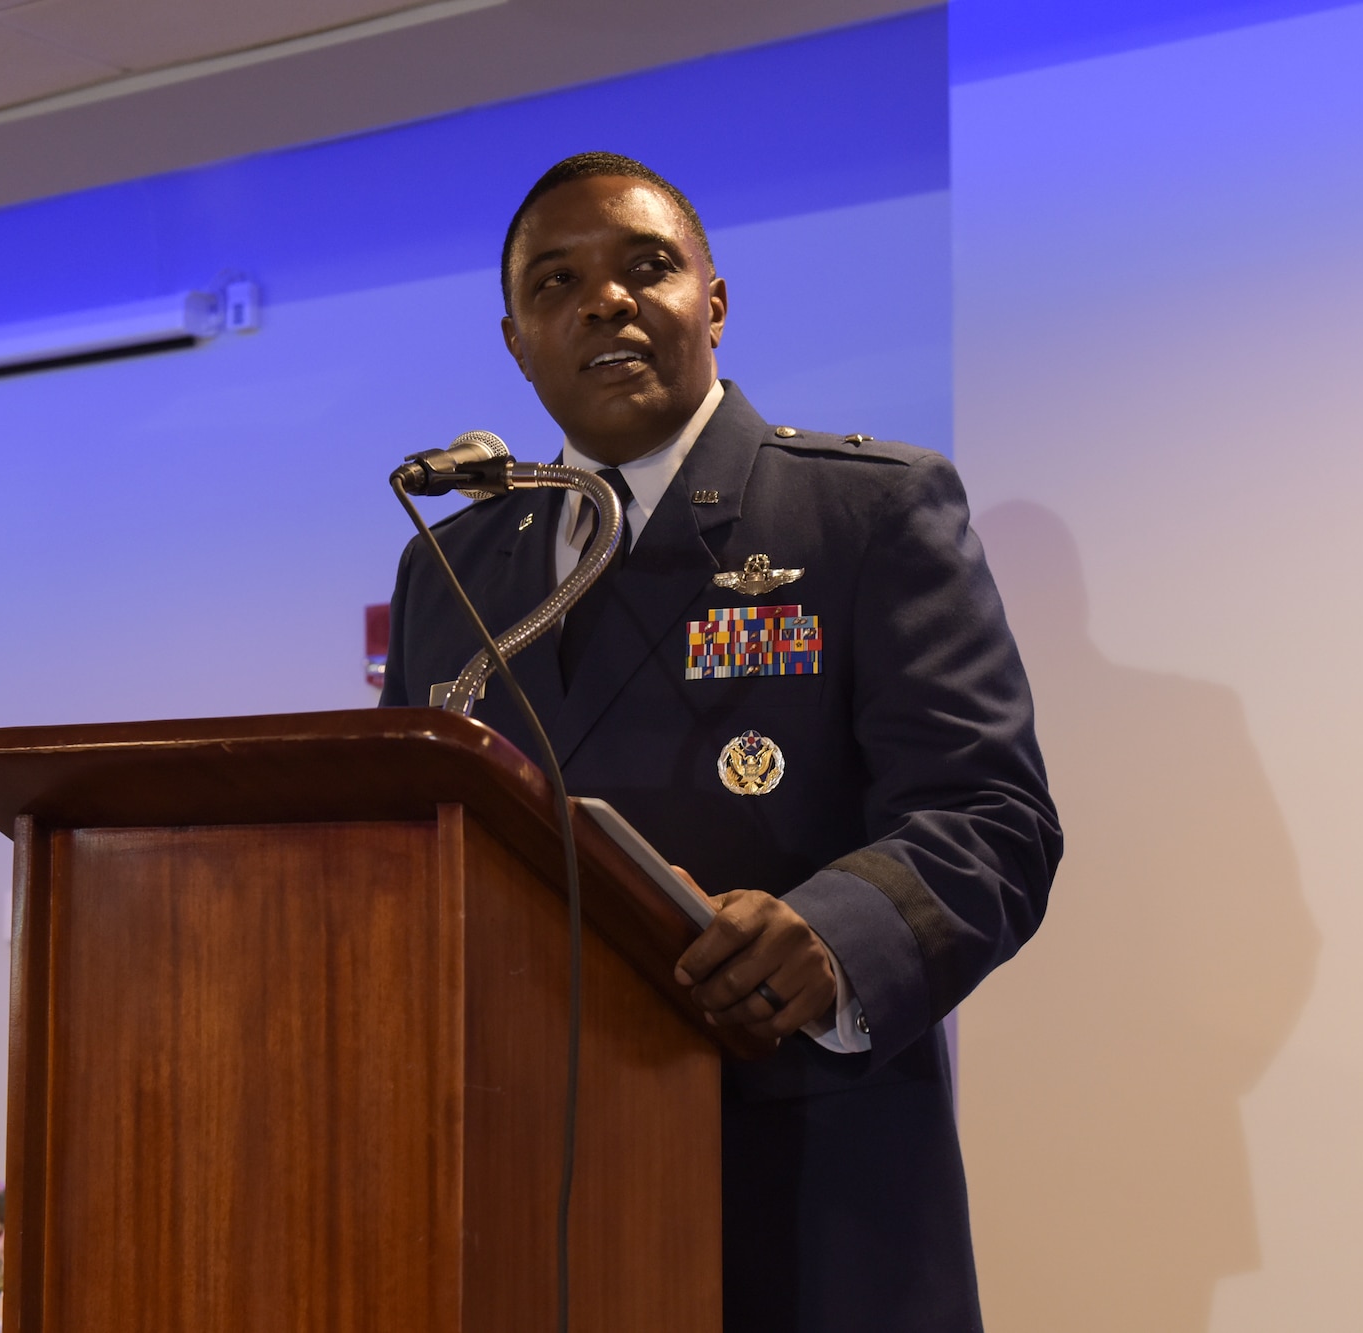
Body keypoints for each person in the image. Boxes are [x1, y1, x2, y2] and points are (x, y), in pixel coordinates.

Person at [380, 152, 1060, 1332]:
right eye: (556, 283)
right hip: (521, 1188)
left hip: (802, 1193)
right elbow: (404, 861)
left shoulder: (864, 514)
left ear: (713, 301)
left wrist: (832, 936)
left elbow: (992, 821)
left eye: (647, 267)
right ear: (514, 342)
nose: (604, 300)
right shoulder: (449, 567)